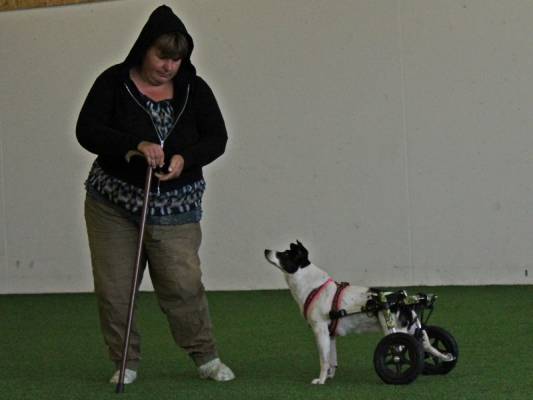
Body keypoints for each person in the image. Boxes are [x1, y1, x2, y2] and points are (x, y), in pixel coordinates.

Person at [76, 5, 234, 384]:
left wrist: (184, 159)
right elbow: (88, 130)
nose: (168, 66)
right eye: (162, 56)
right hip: (113, 204)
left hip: (175, 207)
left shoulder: (195, 89)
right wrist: (134, 145)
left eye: (176, 59)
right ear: (144, 48)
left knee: (182, 285)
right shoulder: (113, 82)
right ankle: (125, 362)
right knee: (116, 289)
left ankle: (206, 357)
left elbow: (217, 138)